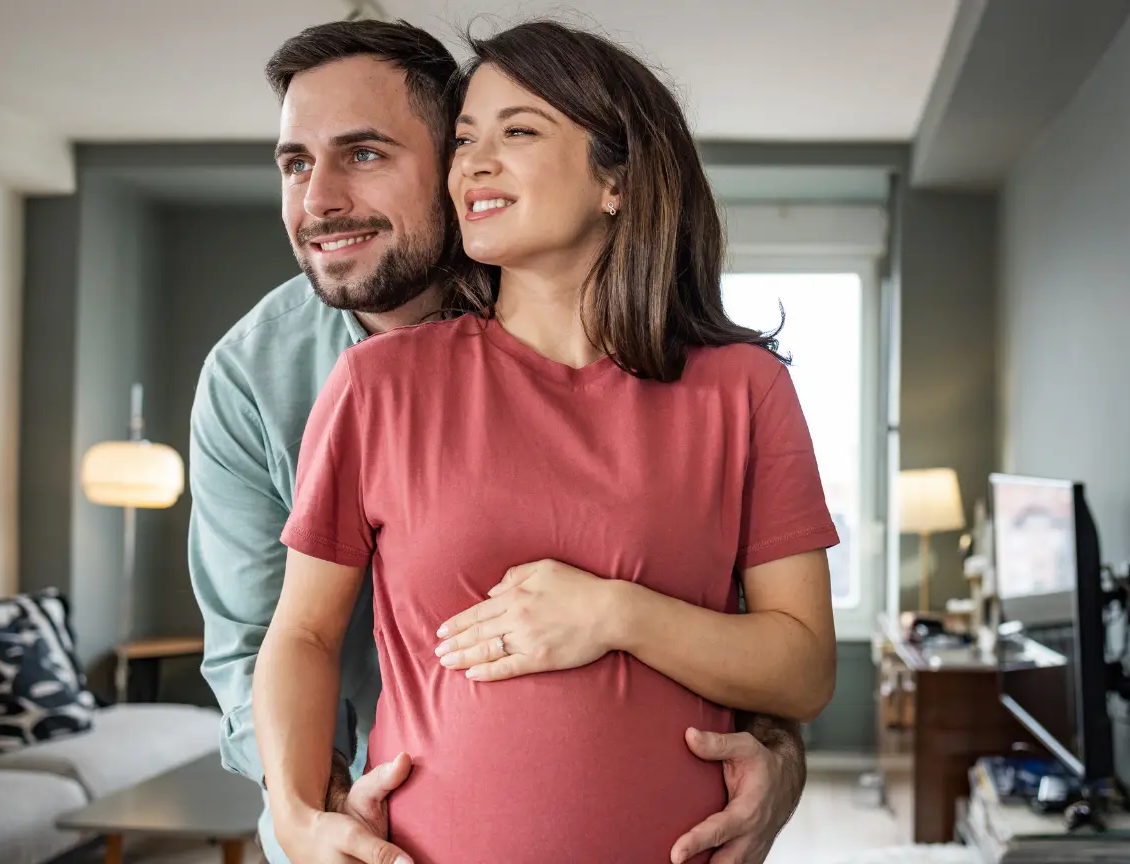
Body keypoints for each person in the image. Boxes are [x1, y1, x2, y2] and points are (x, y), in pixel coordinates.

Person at [188, 18, 816, 864]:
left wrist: (775, 750)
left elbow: (779, 645)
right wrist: (304, 812)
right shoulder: (283, 379)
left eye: (366, 153)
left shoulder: (734, 387)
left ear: (616, 179)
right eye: (296, 163)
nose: (321, 200)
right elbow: (267, 641)